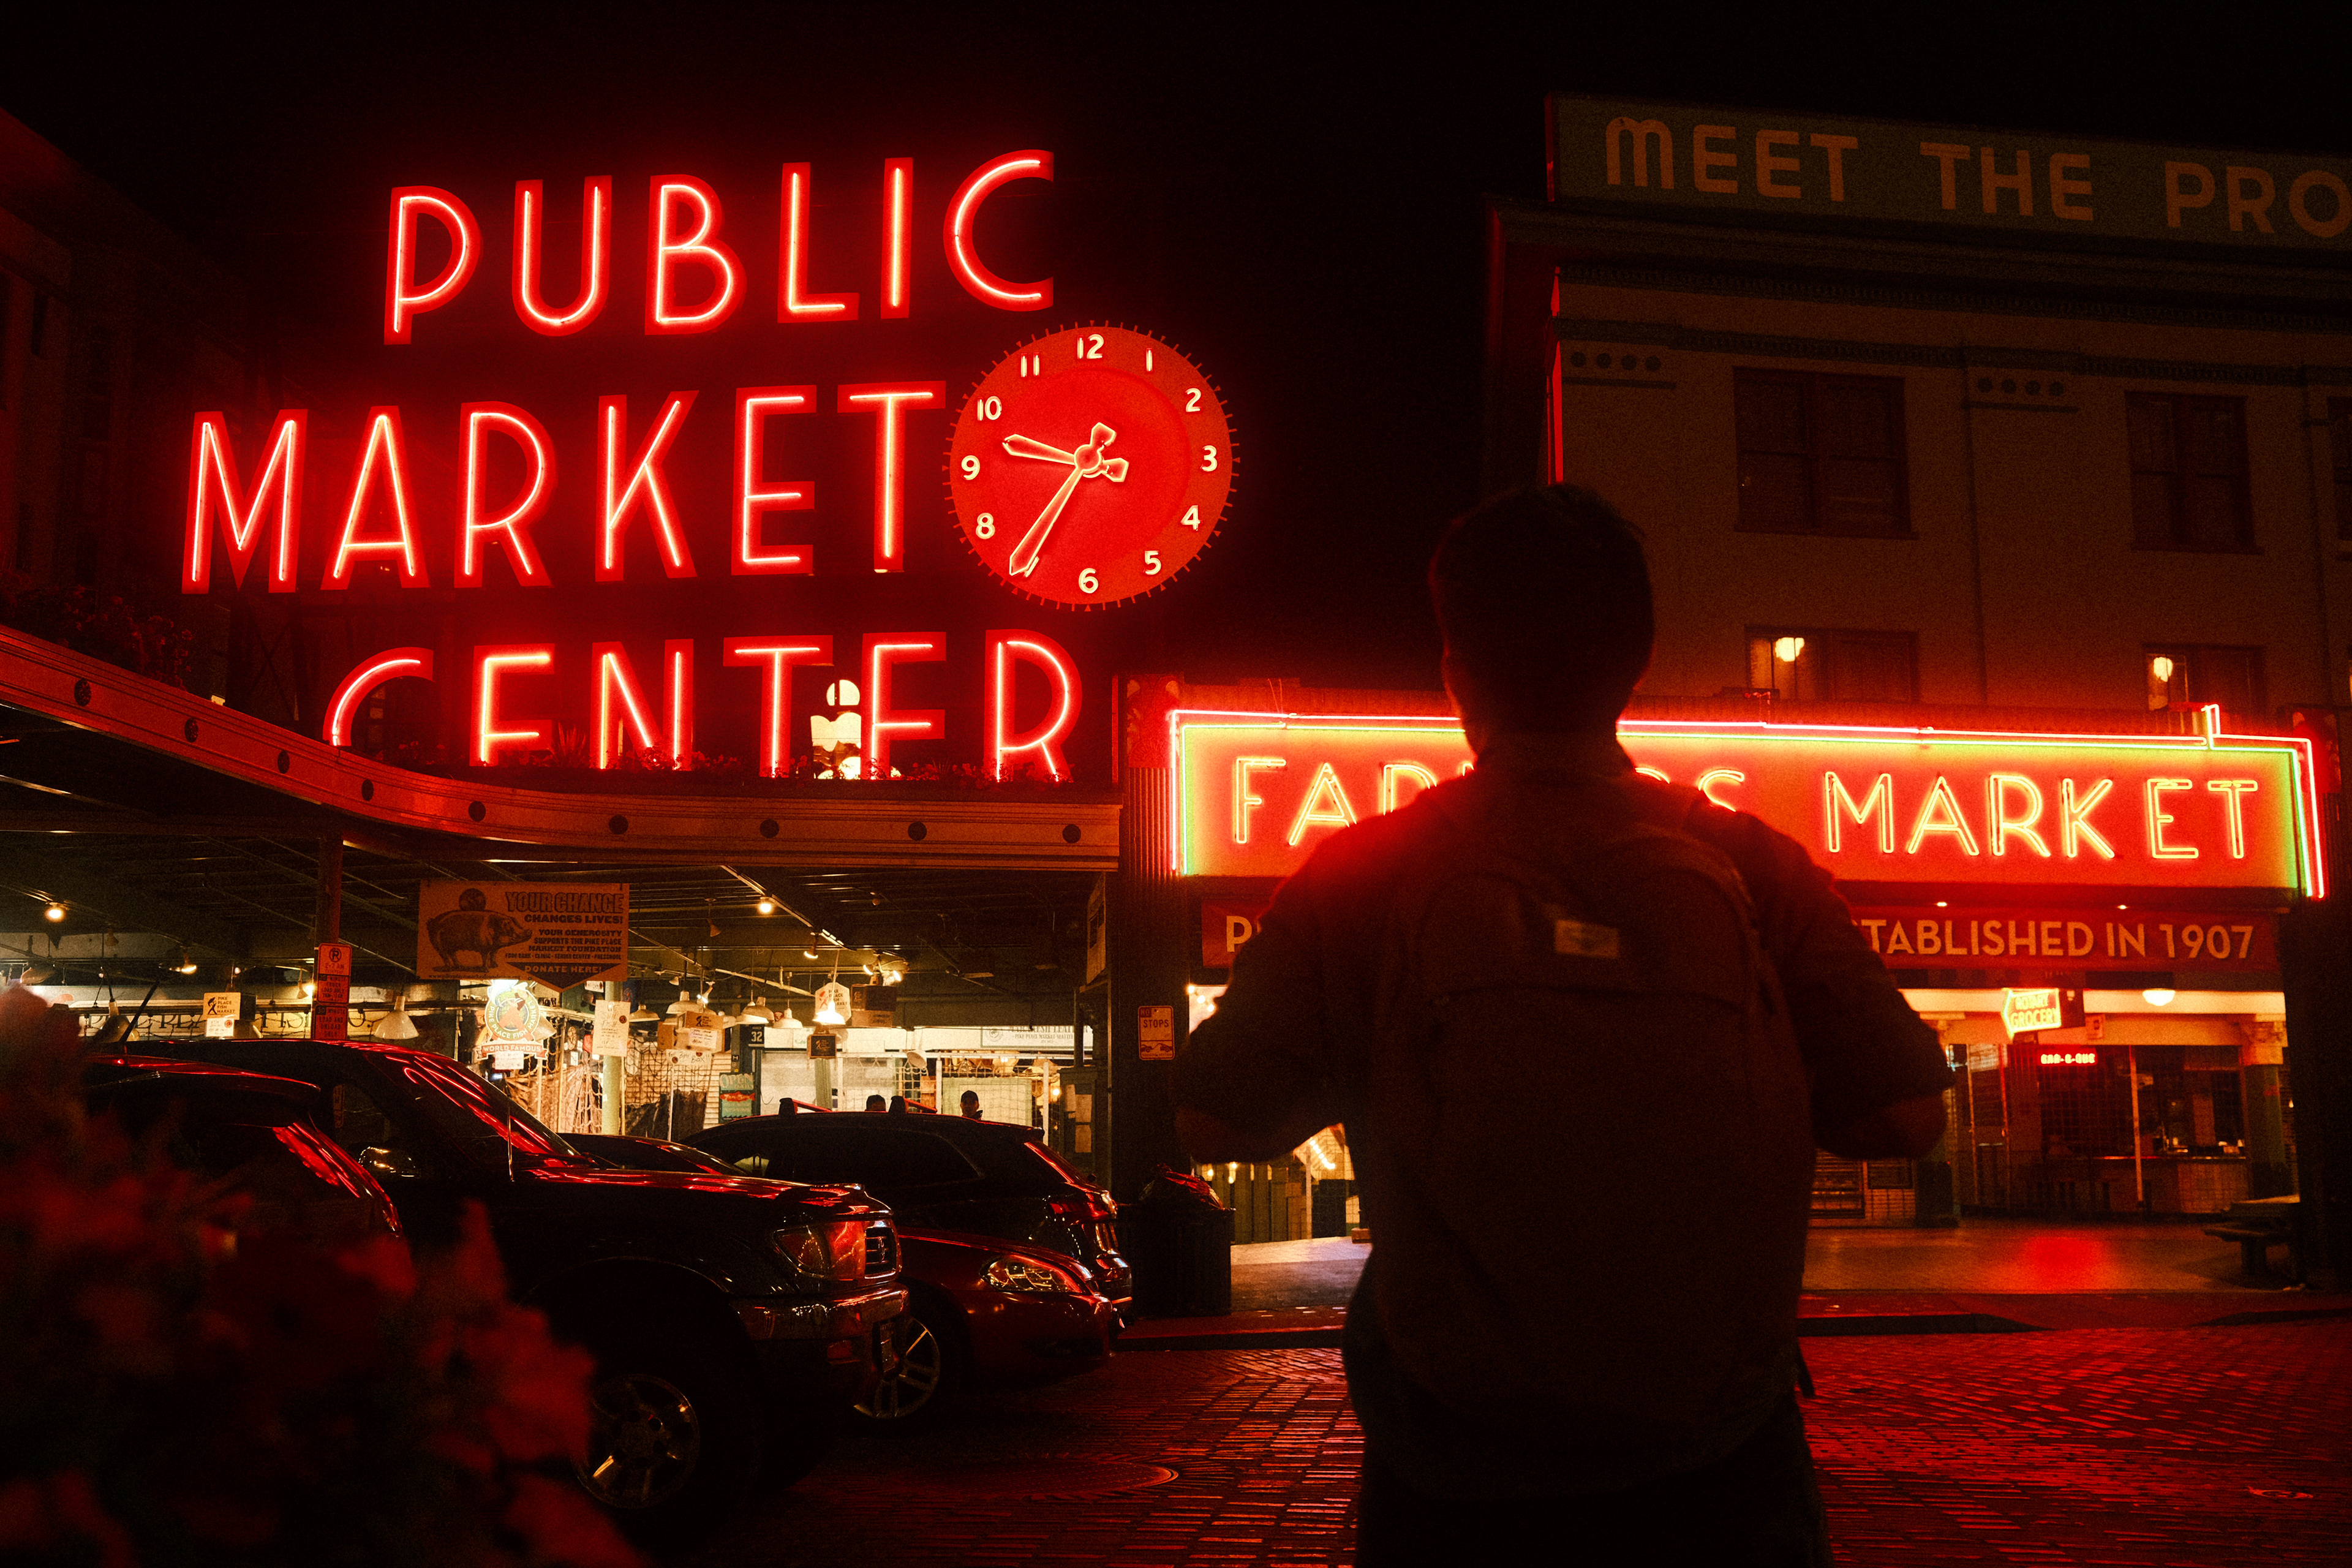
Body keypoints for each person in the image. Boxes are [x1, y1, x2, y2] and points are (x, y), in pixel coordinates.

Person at [1173, 485, 1954, 1567]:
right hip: (1722, 1472)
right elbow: (1909, 1112)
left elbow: (1215, 1115)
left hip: (1458, 1475)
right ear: (1635, 661)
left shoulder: (1362, 876)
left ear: (1457, 666)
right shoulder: (1755, 866)